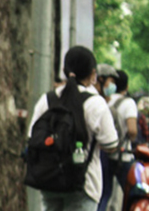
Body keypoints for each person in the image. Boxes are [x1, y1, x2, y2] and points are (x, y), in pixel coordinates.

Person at [28, 46, 118, 211]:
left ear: (64, 70)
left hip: (49, 181)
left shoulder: (47, 100)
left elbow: (32, 136)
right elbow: (111, 144)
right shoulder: (95, 103)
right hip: (84, 185)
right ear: (92, 74)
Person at [97, 69, 138, 211]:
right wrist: (131, 139)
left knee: (104, 194)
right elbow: (132, 130)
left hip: (105, 154)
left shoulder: (105, 101)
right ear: (126, 86)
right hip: (123, 155)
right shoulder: (129, 103)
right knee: (133, 192)